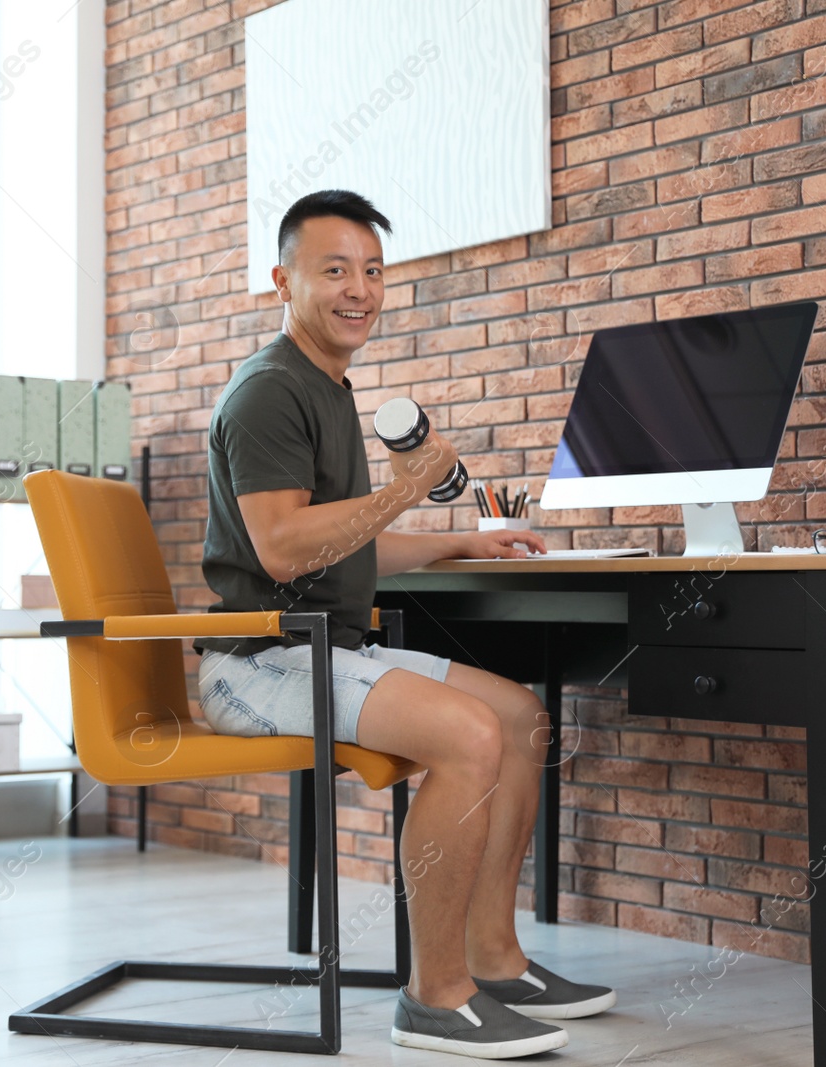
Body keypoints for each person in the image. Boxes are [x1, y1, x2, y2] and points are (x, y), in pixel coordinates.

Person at [194, 189, 614, 1058]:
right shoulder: (271, 392)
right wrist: (406, 486)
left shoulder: (326, 388)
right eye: (335, 270)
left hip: (323, 644)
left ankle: (495, 960)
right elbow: (280, 550)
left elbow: (346, 548)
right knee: (467, 736)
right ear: (284, 279)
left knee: (519, 716)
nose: (360, 289)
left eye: (373, 270)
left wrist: (468, 541)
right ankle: (435, 995)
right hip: (259, 660)